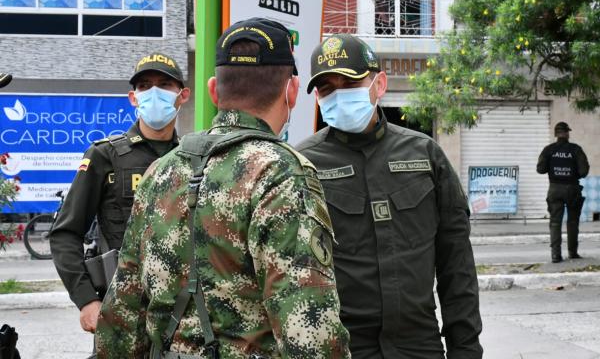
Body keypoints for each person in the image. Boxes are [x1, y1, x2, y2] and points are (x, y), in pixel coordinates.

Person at [95, 18, 350, 358]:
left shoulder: (160, 171)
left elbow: (122, 313)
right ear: (291, 91)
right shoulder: (281, 172)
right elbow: (310, 331)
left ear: (214, 90)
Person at [296, 34, 483, 359]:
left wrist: (465, 349)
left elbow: (457, 264)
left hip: (419, 346)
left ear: (379, 84)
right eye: (327, 89)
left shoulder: (426, 155)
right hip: (343, 348)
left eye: (350, 83)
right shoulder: (302, 165)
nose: (339, 95)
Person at [50, 52, 190, 334]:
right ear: (133, 98)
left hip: (185, 314)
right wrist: (86, 300)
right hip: (123, 312)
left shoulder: (193, 157)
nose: (154, 93)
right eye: (145, 86)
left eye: (164, 85)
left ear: (182, 96)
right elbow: (65, 233)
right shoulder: (105, 156)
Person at [537, 121, 589, 263]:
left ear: (556, 134)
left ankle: (555, 255)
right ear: (567, 133)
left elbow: (540, 169)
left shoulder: (549, 150)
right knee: (572, 222)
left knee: (555, 222)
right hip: (572, 189)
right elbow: (584, 171)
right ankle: (573, 252)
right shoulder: (575, 149)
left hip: (554, 189)